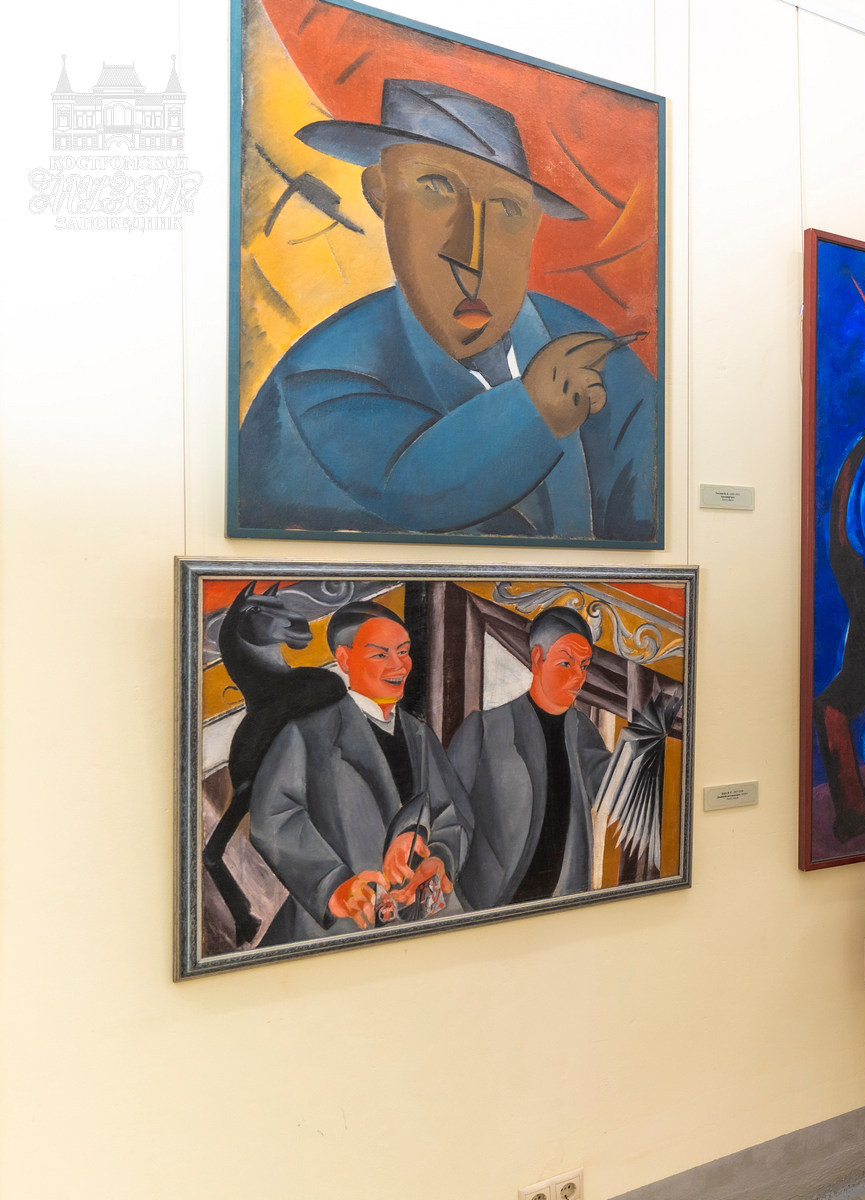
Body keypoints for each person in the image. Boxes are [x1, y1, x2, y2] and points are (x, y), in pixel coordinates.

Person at [236, 78, 657, 543]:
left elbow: (644, 526)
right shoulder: (323, 373)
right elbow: (410, 488)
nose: (469, 254)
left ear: (533, 224)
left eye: (507, 208)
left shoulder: (609, 365)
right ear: (380, 194)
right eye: (435, 188)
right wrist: (535, 409)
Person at [249, 601, 471, 946]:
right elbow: (272, 820)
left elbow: (452, 811)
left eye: (403, 651)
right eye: (380, 654)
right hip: (340, 931)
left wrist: (440, 858)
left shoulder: (420, 735)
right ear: (344, 659)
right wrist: (334, 885)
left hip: (419, 924)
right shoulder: (307, 735)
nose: (399, 665)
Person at [448, 607, 614, 909]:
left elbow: (611, 789)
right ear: (538, 659)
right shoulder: (482, 730)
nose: (578, 677)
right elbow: (447, 817)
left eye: (584, 665)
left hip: (562, 904)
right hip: (486, 905)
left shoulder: (583, 731)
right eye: (566, 663)